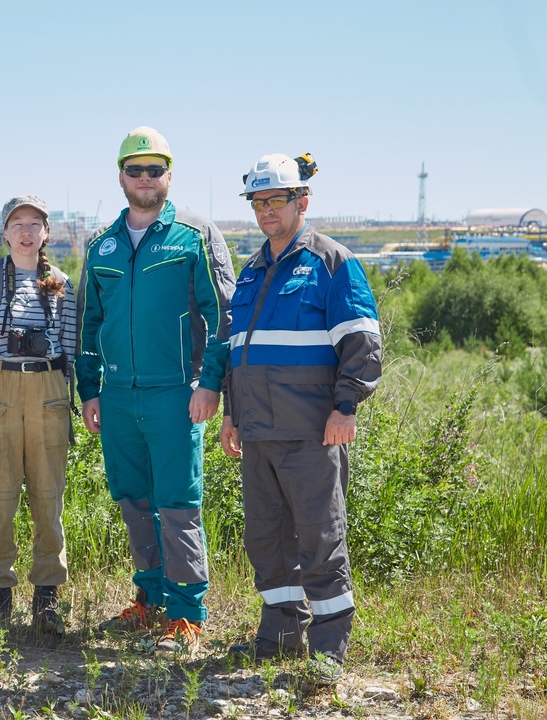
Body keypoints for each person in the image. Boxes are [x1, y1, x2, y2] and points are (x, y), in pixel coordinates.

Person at [219, 153, 382, 686]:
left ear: (301, 202)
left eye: (275, 201)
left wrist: (346, 406)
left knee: (319, 535)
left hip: (313, 430)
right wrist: (232, 416)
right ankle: (280, 631)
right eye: (258, 202)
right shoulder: (251, 270)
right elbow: (238, 350)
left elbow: (362, 341)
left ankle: (330, 644)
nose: (265, 211)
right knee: (265, 537)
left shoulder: (332, 262)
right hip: (258, 432)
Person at [76, 127, 235, 656]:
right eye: (135, 170)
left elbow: (222, 316)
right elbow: (89, 323)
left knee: (177, 501)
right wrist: (89, 390)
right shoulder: (102, 245)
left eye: (155, 169)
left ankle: (187, 613)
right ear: (120, 176)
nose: (145, 179)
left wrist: (209, 382)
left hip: (175, 393)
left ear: (169, 174)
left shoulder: (194, 235)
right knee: (133, 498)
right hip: (118, 397)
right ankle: (149, 597)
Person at [0, 195, 77, 635]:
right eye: (17, 224)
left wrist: (67, 397)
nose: (26, 231)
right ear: (5, 233)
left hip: (48, 389)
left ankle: (47, 597)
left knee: (49, 498)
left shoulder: (62, 282)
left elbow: (70, 348)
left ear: (46, 233)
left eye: (34, 224)